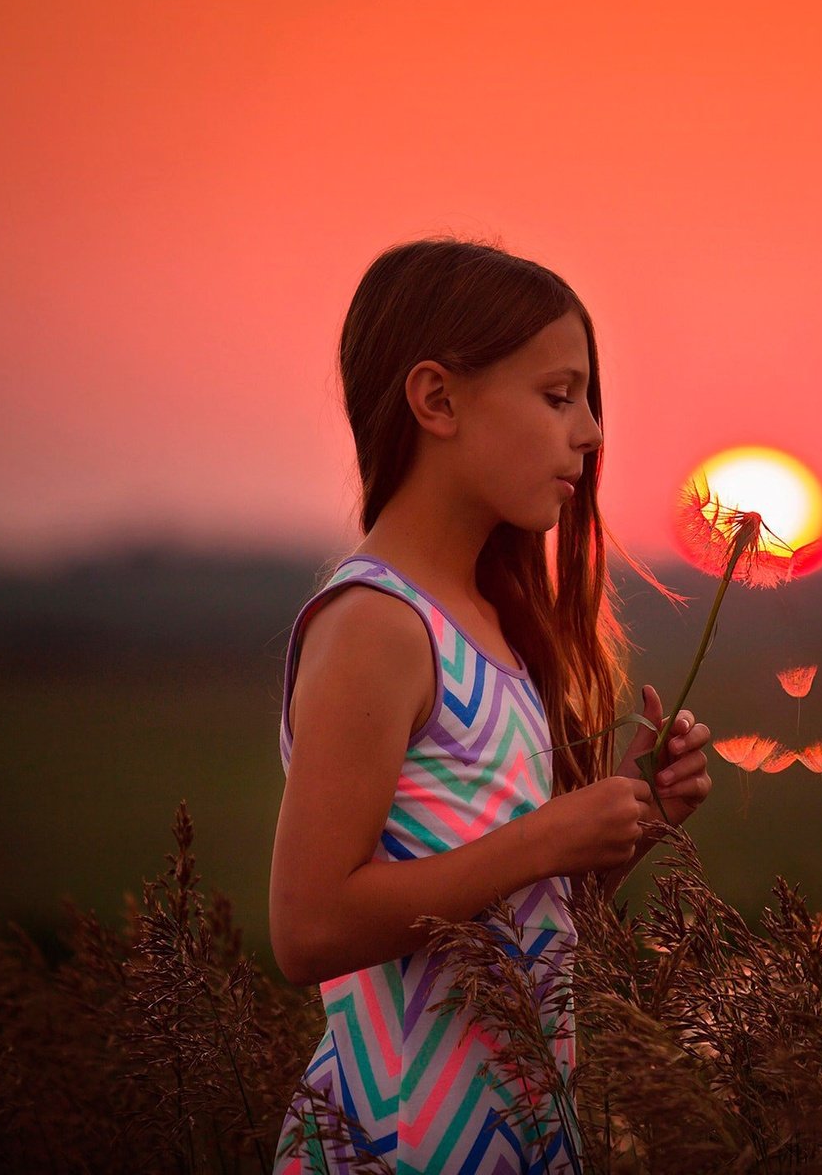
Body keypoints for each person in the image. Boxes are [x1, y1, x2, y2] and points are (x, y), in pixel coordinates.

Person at [268, 237, 714, 1173]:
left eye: (588, 401)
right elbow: (309, 927)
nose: (591, 433)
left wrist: (626, 823)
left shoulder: (491, 628)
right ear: (437, 400)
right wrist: (547, 836)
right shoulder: (377, 624)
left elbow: (505, 911)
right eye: (559, 397)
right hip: (396, 1147)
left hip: (516, 1139)